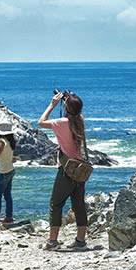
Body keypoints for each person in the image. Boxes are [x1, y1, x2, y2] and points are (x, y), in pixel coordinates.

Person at [38, 91, 88, 250]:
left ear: (66, 107)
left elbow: (41, 122)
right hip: (80, 168)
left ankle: (52, 241)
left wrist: (52, 104)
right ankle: (80, 240)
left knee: (56, 203)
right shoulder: (80, 120)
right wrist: (70, 98)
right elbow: (75, 112)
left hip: (66, 169)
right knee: (79, 204)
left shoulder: (61, 122)